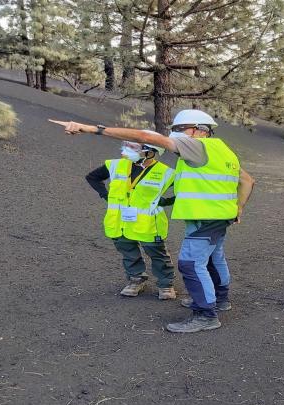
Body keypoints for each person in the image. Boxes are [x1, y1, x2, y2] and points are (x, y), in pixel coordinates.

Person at [49, 109, 255, 333]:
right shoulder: (223, 151)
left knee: (190, 263)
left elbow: (147, 137)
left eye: (179, 130)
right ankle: (220, 300)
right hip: (214, 216)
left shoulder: (196, 145)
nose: (175, 135)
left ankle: (206, 315)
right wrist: (238, 208)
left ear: (198, 130)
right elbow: (247, 180)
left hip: (207, 218)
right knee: (214, 258)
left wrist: (92, 129)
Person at [85, 140, 178, 300]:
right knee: (128, 252)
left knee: (157, 254)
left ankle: (166, 285)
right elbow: (92, 177)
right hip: (120, 221)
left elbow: (187, 189)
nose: (126, 149)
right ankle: (136, 280)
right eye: (126, 145)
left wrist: (166, 201)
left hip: (149, 224)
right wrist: (105, 194)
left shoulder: (166, 173)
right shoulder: (116, 165)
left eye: (133, 147)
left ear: (150, 151)